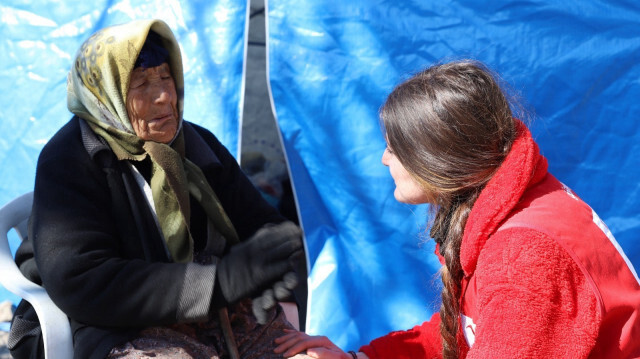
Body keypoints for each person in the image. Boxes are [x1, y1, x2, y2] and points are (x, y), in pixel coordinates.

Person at [272, 60, 640, 358]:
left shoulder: (526, 256)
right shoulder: (510, 208)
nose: (384, 159)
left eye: (394, 148)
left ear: (436, 157)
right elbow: (469, 330)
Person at [9, 19, 307, 359]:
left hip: (217, 314)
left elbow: (259, 221)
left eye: (166, 76)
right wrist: (219, 282)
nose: (165, 95)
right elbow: (83, 281)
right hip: (113, 324)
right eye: (141, 83)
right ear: (105, 93)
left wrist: (273, 262)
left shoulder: (194, 144)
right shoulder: (69, 161)